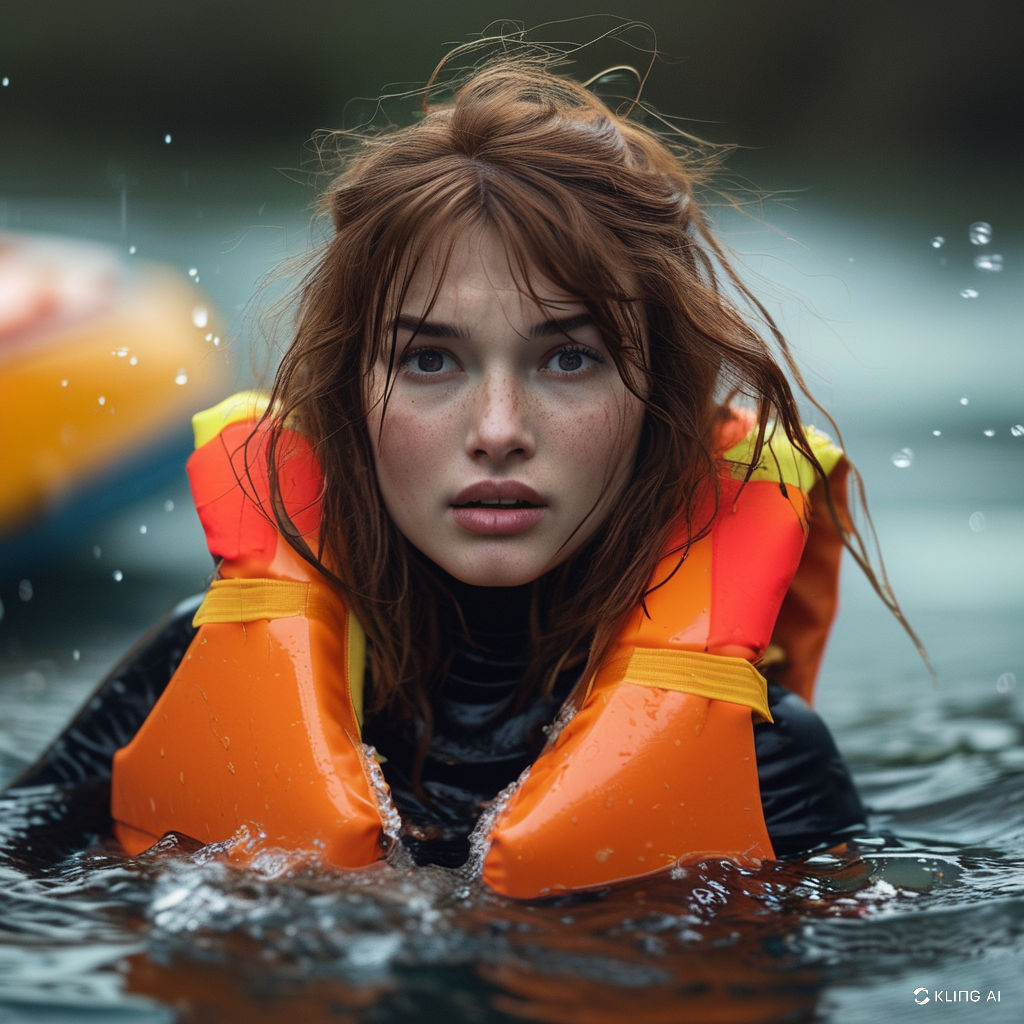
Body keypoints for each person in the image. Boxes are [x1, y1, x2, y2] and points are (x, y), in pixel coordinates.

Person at [21, 43, 899, 898]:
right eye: (430, 361)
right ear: (348, 399)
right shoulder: (189, 674)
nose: (498, 431)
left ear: (660, 400)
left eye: (568, 359)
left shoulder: (764, 760)